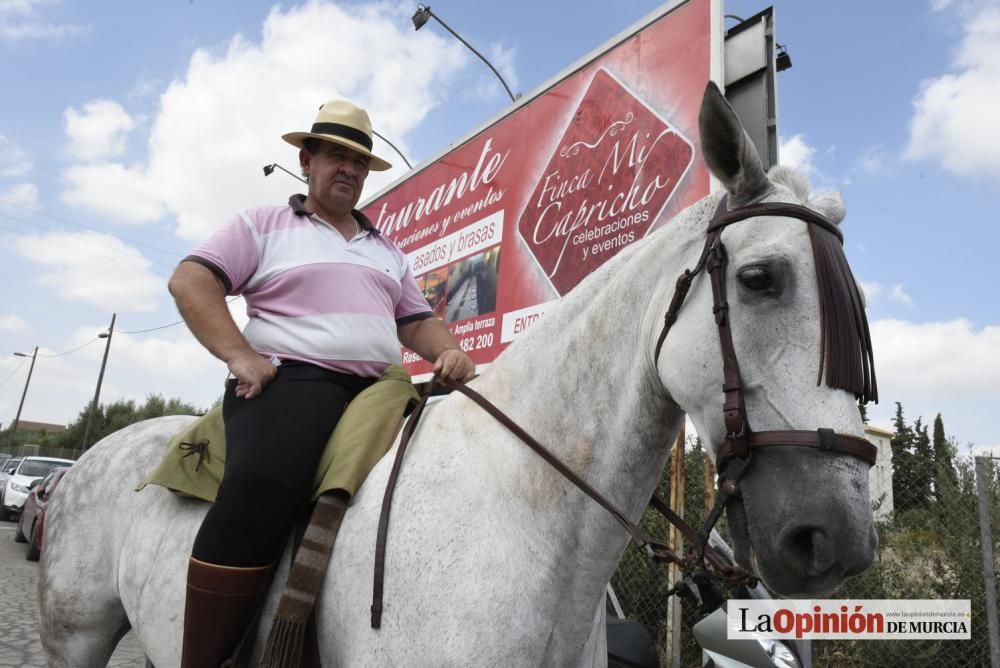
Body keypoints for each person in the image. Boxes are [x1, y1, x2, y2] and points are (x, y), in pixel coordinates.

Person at [167, 99, 474, 666]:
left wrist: (450, 349)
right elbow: (190, 281)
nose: (349, 170)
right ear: (305, 160)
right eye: (336, 155)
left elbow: (415, 321)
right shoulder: (261, 224)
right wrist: (240, 355)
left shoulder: (387, 250)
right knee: (262, 483)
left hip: (380, 390)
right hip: (290, 382)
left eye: (360, 161)